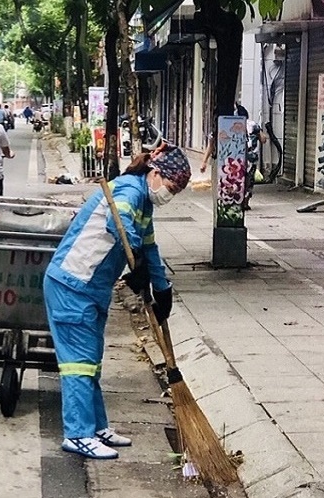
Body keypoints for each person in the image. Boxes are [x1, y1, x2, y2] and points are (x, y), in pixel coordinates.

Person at [43, 144, 192, 460]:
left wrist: (161, 288)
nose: (170, 194)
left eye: (176, 192)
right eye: (170, 187)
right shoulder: (128, 188)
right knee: (78, 364)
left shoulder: (145, 204)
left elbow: (149, 248)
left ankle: (96, 428)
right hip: (72, 285)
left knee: (92, 363)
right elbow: (119, 224)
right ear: (154, 174)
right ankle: (78, 434)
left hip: (92, 289)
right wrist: (134, 263)